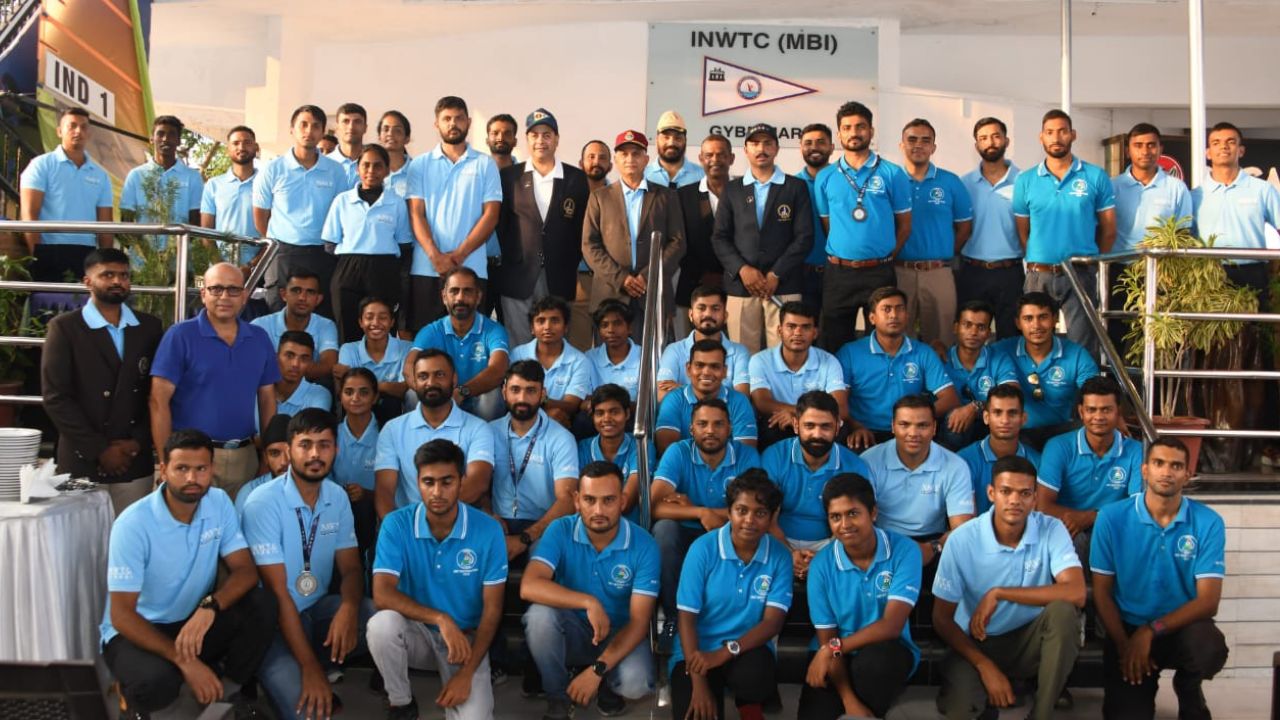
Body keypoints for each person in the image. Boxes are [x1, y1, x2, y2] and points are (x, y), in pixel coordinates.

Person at [102, 430, 276, 719]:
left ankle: (224, 695)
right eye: (181, 468)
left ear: (212, 469)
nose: (192, 478)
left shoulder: (219, 502)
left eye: (201, 469)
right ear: (164, 470)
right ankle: (130, 698)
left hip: (192, 620)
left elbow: (245, 571)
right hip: (139, 628)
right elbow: (121, 616)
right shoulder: (132, 524)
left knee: (262, 604)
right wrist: (183, 660)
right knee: (156, 683)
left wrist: (211, 606)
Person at [242, 409, 373, 720]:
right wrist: (309, 669)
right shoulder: (262, 502)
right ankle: (283, 673)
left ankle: (313, 664)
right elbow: (278, 594)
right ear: (289, 450)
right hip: (273, 624)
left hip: (316, 609)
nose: (315, 454)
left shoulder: (337, 497)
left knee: (377, 618)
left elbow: (352, 568)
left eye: (324, 445)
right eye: (305, 445)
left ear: (336, 450)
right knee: (309, 715)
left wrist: (348, 608)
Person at [932, 456, 1085, 720]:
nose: (1015, 500)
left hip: (1029, 640)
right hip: (977, 643)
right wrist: (985, 666)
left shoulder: (1052, 528)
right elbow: (941, 619)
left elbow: (1076, 592)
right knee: (961, 710)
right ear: (991, 493)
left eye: (1024, 493)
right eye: (1006, 491)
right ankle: (977, 691)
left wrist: (999, 593)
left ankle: (1041, 714)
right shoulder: (962, 539)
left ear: (1035, 499)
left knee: (1063, 613)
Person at [368, 439, 508, 720]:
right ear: (417, 482)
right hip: (417, 634)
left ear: (462, 481)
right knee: (381, 625)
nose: (437, 492)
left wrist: (467, 674)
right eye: (428, 482)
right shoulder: (396, 523)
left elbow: (493, 610)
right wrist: (441, 619)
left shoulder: (489, 530)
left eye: (447, 482)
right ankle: (400, 702)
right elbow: (382, 594)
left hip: (464, 642)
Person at [1092, 437, 1229, 720]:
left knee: (1208, 647)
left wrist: (1150, 630)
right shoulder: (1111, 517)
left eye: (1176, 466)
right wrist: (1125, 646)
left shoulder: (1208, 521)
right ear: (1144, 470)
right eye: (1159, 463)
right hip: (1128, 627)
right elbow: (1102, 592)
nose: (1167, 472)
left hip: (1182, 627)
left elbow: (1208, 602)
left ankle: (1188, 685)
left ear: (1187, 475)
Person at [521, 461, 660, 719]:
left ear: (622, 501)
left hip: (619, 632)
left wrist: (597, 671)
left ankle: (605, 682)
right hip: (573, 627)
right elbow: (529, 585)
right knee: (539, 617)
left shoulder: (645, 545)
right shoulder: (560, 529)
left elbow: (640, 623)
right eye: (589, 500)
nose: (598, 510)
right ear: (576, 501)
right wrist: (588, 602)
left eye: (608, 500)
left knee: (636, 681)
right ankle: (558, 697)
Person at [42, 248, 163, 515]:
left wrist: (137, 442)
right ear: (87, 281)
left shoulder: (149, 327)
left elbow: (157, 392)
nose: (117, 281)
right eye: (107, 275)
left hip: (133, 458)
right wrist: (100, 450)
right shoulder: (65, 328)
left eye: (124, 275)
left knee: (131, 534)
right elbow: (56, 397)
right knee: (80, 539)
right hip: (81, 459)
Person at [668, 470, 791, 720]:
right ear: (729, 511)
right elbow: (687, 619)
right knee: (694, 712)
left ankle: (749, 703)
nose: (749, 520)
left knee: (756, 675)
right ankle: (710, 687)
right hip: (697, 651)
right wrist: (699, 685)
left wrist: (725, 653)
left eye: (760, 513)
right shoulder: (703, 549)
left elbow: (773, 623)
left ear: (771, 517)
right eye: (741, 510)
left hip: (746, 648)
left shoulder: (779, 555)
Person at [798, 473, 922, 720]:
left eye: (853, 513)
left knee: (875, 665)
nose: (845, 524)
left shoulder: (904, 550)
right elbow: (827, 639)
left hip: (885, 651)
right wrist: (848, 699)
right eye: (836, 517)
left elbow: (891, 626)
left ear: (873, 513)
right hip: (835, 654)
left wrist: (832, 649)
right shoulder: (821, 565)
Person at [151, 263, 279, 500]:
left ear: (244, 295)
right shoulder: (180, 336)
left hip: (245, 457)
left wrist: (267, 456)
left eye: (233, 290)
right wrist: (166, 461)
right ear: (203, 294)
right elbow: (158, 401)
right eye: (216, 289)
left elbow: (267, 399)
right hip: (192, 459)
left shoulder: (259, 338)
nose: (224, 296)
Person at [650, 399, 762, 651]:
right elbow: (654, 506)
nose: (710, 430)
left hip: (727, 533)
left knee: (749, 529)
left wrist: (710, 514)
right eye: (702, 424)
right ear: (691, 429)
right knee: (664, 530)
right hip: (686, 531)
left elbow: (756, 510)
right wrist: (702, 512)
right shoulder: (678, 452)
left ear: (729, 428)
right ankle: (673, 618)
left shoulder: (746, 456)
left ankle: (733, 625)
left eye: (718, 424)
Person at [1012, 110, 1117, 354]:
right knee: (1035, 343)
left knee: (1082, 345)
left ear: (1073, 135)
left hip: (1080, 272)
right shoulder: (1025, 180)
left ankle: (1082, 382)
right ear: (1041, 137)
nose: (1056, 137)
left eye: (1062, 131)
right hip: (1039, 275)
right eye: (1050, 132)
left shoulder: (1095, 176)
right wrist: (1040, 256)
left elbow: (1109, 230)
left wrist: (1090, 263)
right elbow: (1022, 231)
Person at [813, 101, 912, 351]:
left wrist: (885, 256)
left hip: (879, 272)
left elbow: (904, 226)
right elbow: (827, 224)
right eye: (847, 128)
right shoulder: (825, 176)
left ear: (871, 131)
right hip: (838, 273)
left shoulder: (892, 173)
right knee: (834, 343)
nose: (854, 133)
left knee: (883, 341)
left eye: (860, 126)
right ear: (839, 134)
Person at [711, 123, 814, 353]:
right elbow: (720, 237)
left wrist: (776, 273)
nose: (761, 149)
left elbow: (804, 237)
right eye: (755, 144)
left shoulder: (795, 187)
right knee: (742, 354)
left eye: (768, 143)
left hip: (785, 284)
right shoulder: (733, 189)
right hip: (741, 286)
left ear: (776, 149)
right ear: (746, 150)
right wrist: (743, 269)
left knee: (785, 352)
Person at [405, 96, 502, 331]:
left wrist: (458, 256)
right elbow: (416, 214)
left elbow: (491, 215)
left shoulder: (485, 164)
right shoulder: (420, 165)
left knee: (471, 341)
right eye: (446, 118)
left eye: (458, 118)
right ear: (436, 124)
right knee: (427, 340)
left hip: (472, 269)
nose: (453, 123)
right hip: (427, 268)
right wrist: (435, 257)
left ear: (468, 122)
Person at [496, 108, 590, 346]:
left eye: (547, 135)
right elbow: (501, 226)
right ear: (526, 140)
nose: (541, 141)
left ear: (556, 139)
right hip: (518, 276)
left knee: (555, 344)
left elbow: (582, 229)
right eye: (534, 135)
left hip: (560, 277)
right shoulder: (509, 177)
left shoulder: (576, 179)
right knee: (518, 345)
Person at [582, 129, 685, 335]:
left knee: (653, 353)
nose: (630, 159)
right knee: (608, 354)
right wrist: (622, 278)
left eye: (636, 154)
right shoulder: (599, 197)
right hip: (610, 294)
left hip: (653, 293)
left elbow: (678, 242)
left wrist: (647, 276)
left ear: (646, 159)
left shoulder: (666, 196)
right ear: (616, 160)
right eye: (624, 154)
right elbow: (589, 244)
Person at [1037, 375, 1144, 569]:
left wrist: (1092, 517)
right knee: (1073, 539)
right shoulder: (1058, 447)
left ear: (1118, 412)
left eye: (1106, 410)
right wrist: (1081, 519)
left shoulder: (1136, 451)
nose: (1098, 417)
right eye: (1091, 410)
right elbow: (1043, 506)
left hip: (1114, 527)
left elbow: (1137, 507)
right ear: (1081, 412)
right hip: (1069, 526)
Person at [761, 391, 871, 577]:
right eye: (809, 426)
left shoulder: (854, 465)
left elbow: (853, 522)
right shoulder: (775, 456)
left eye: (825, 426)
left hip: (834, 543)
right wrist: (789, 553)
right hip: (777, 540)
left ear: (838, 427)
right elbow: (766, 516)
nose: (817, 434)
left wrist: (822, 558)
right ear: (796, 425)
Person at [374, 349, 494, 516]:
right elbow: (385, 491)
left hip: (460, 525)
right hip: (408, 526)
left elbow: (476, 484)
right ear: (414, 382)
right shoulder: (392, 429)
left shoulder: (478, 428)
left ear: (454, 379)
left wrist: (433, 521)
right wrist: (400, 528)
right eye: (423, 376)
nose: (431, 382)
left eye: (439, 375)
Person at [253, 104, 346, 317]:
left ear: (323, 131)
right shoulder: (273, 169)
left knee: (321, 318)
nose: (309, 131)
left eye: (315, 126)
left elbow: (340, 214)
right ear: (292, 129)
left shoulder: (335, 171)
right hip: (282, 254)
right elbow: (260, 216)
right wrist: (278, 242)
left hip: (323, 254)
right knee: (278, 315)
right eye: (303, 125)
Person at [860, 395, 975, 566]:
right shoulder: (869, 461)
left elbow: (962, 530)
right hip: (881, 540)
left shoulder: (956, 465)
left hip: (934, 542)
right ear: (892, 426)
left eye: (922, 425)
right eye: (904, 425)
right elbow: (861, 521)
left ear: (934, 428)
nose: (913, 433)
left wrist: (934, 547)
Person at [838, 287, 960, 448]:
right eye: (886, 309)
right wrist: (856, 427)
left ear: (907, 316)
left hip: (911, 432)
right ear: (872, 318)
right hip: (865, 432)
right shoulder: (850, 352)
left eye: (899, 309)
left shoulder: (923, 352)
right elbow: (839, 403)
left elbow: (950, 398)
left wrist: (915, 418)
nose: (894, 315)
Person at [1108, 123, 1193, 349]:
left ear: (1160, 149)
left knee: (1159, 339)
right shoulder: (1112, 187)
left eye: (1151, 145)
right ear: (1128, 151)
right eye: (1138, 145)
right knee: (1117, 333)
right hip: (1120, 272)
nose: (1145, 151)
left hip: (1162, 273)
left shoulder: (1176, 188)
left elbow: (1183, 233)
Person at [322, 143, 414, 343]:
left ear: (387, 170)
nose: (371, 171)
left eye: (378, 166)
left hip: (384, 271)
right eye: (366, 165)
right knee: (346, 331)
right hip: (348, 270)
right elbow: (330, 244)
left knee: (380, 331)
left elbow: (404, 244)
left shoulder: (396, 203)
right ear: (358, 169)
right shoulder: (342, 201)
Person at [488, 361, 580, 560]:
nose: (522, 398)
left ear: (543, 394)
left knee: (541, 557)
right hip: (497, 522)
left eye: (530, 390)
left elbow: (567, 500)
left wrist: (526, 537)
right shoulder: (488, 432)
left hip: (543, 524)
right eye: (515, 390)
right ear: (504, 392)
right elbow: (476, 484)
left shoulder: (562, 438)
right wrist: (488, 514)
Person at [894, 118, 972, 347]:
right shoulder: (891, 180)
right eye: (912, 139)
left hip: (938, 273)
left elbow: (964, 228)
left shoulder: (950, 182)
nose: (918, 145)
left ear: (933, 147)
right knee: (898, 338)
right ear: (901, 145)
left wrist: (942, 252)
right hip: (899, 272)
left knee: (942, 340)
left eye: (925, 140)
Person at [19, 107, 113, 282]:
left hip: (88, 254)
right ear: (59, 131)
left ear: (89, 133)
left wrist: (106, 265)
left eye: (84, 127)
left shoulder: (101, 175)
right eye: (72, 126)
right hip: (48, 250)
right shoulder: (40, 165)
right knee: (48, 300)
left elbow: (106, 226)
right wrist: (37, 256)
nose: (78, 131)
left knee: (84, 300)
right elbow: (29, 216)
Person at [996, 291, 1099, 449]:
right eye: (1028, 319)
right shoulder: (1002, 350)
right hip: (1015, 433)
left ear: (1055, 319)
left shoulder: (1076, 353)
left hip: (1062, 433)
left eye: (1043, 317)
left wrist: (1116, 417)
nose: (1036, 325)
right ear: (1018, 323)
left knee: (1093, 429)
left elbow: (1097, 392)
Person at [1193, 121, 1280, 307]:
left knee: (1255, 324)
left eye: (1231, 142)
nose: (1224, 147)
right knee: (1210, 325)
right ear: (1208, 153)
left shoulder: (1262, 189)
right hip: (1208, 274)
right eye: (1216, 143)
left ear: (1241, 150)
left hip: (1253, 273)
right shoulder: (1195, 196)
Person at [408, 267, 509, 421]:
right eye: (454, 291)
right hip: (439, 399)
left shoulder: (493, 330)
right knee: (412, 394)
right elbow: (409, 367)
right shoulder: (431, 331)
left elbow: (498, 369)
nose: (460, 298)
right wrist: (433, 392)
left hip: (475, 397)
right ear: (444, 297)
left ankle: (485, 437)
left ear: (478, 296)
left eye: (467, 291)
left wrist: (462, 392)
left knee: (492, 396)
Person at [958, 117, 1024, 340]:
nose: (990, 142)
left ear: (1006, 141)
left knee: (1011, 338)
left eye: (996, 136)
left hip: (1010, 273)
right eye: (983, 138)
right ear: (976, 145)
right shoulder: (964, 184)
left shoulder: (1024, 181)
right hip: (972, 272)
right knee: (970, 339)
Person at [747, 301, 847, 446]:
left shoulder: (829, 361)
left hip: (817, 424)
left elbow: (841, 409)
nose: (798, 333)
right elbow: (762, 402)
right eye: (791, 326)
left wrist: (801, 417)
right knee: (770, 427)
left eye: (805, 327)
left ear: (815, 333)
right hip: (780, 422)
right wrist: (800, 415)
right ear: (780, 331)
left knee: (838, 429)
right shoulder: (760, 360)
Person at [938, 300, 1019, 450]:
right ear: (956, 327)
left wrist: (975, 407)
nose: (973, 332)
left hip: (990, 426)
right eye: (967, 325)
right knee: (953, 421)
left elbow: (1013, 395)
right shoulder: (941, 359)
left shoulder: (999, 358)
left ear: (988, 332)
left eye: (981, 327)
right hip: (951, 431)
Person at [656, 339, 757, 454]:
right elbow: (666, 448)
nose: (706, 372)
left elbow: (745, 451)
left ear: (724, 371)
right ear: (688, 369)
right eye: (699, 365)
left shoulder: (739, 401)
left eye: (714, 366)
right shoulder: (673, 399)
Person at [674, 135, 732, 336]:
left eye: (721, 155)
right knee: (691, 347)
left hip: (735, 287)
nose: (715, 160)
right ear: (700, 159)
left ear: (731, 158)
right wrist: (702, 275)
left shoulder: (743, 193)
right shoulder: (683, 196)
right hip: (692, 286)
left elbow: (748, 239)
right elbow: (678, 242)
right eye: (709, 155)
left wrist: (728, 274)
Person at [510, 295, 594, 428]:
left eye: (555, 321)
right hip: (521, 417)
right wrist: (543, 405)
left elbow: (571, 405)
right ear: (532, 328)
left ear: (566, 327)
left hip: (560, 421)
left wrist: (540, 400)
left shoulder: (580, 361)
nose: (547, 327)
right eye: (541, 321)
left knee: (561, 416)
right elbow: (510, 397)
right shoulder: (517, 354)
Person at [956, 384, 1041, 514]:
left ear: (1023, 419)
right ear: (986, 417)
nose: (1005, 420)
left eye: (1012, 413)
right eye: (997, 412)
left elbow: (1038, 515)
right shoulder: (963, 461)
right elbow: (965, 520)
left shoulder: (1038, 463)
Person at [658, 285, 751, 402]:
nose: (708, 314)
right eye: (701, 308)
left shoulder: (739, 352)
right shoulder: (673, 350)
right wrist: (722, 393)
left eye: (715, 309)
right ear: (691, 315)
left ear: (725, 316)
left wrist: (683, 389)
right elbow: (662, 396)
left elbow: (742, 399)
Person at [578, 383, 654, 522]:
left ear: (627, 414)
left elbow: (627, 501)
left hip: (630, 526)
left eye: (614, 412)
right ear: (592, 417)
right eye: (600, 413)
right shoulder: (582, 448)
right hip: (589, 526)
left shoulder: (642, 446)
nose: (607, 419)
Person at [252, 269, 340, 383]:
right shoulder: (259, 326)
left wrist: (280, 366)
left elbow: (329, 365)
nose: (302, 297)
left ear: (318, 299)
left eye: (310, 292)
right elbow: (251, 365)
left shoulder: (326, 325)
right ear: (283, 294)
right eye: (296, 291)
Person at [334, 297, 413, 423]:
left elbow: (404, 389)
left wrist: (366, 384)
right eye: (369, 317)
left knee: (392, 401)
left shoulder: (407, 348)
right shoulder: (348, 349)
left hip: (395, 415)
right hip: (358, 410)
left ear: (392, 322)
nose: (375, 323)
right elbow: (346, 389)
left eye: (383, 318)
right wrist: (386, 386)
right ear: (360, 322)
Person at [120, 115, 202, 229]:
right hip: (144, 241)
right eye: (160, 134)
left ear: (178, 141)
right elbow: (126, 221)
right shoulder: (135, 175)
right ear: (151, 139)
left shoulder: (193, 177)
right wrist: (140, 241)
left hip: (181, 241)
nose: (165, 139)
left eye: (171, 134)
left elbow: (196, 221)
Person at [571, 139, 614, 349]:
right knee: (580, 346)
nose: (596, 162)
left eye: (602, 157)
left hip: (609, 280)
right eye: (591, 157)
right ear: (581, 163)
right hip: (578, 280)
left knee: (609, 346)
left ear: (611, 166)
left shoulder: (619, 197)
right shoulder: (569, 194)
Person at [332, 367, 380, 553]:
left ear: (375, 397)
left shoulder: (387, 434)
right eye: (349, 392)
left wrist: (367, 494)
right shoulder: (331, 436)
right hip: (335, 511)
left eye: (364, 392)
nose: (355, 398)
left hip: (374, 514)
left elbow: (396, 490)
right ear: (340, 396)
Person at [200, 126, 262, 269]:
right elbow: (206, 233)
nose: (241, 147)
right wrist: (221, 266)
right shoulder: (213, 185)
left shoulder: (266, 184)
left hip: (260, 268)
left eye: (247, 142)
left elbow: (274, 231)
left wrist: (251, 265)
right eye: (235, 143)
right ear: (227, 149)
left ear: (256, 147)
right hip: (220, 268)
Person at [796, 123, 835, 314]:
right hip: (802, 273)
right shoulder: (792, 185)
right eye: (808, 143)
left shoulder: (844, 181)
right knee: (804, 325)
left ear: (832, 147)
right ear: (801, 148)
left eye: (821, 142)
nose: (814, 147)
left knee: (835, 328)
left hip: (839, 271)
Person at [234, 412, 293, 517]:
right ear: (265, 458)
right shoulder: (249, 493)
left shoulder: (318, 489)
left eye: (290, 452)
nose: (284, 461)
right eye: (275, 453)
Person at [586, 299, 642, 402]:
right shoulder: (589, 358)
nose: (611, 330)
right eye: (604, 325)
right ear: (599, 331)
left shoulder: (645, 357)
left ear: (629, 328)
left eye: (617, 324)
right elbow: (584, 399)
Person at [271, 330, 333, 417]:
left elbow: (311, 426)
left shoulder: (319, 395)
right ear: (276, 357)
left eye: (304, 358)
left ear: (311, 362)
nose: (295, 364)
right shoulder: (257, 390)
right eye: (289, 356)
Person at [645, 110, 705, 188]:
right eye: (666, 137)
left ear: (685, 141)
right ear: (656, 140)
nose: (671, 143)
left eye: (678, 138)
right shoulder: (643, 177)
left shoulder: (703, 176)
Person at [326, 103, 367, 186]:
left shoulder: (375, 163)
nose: (351, 127)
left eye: (357, 122)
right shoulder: (324, 164)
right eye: (346, 121)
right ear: (337, 127)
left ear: (365, 128)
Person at [379, 111, 414, 198]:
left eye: (397, 131)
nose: (390, 134)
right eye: (386, 129)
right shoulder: (370, 171)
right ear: (379, 137)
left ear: (407, 138)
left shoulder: (418, 171)